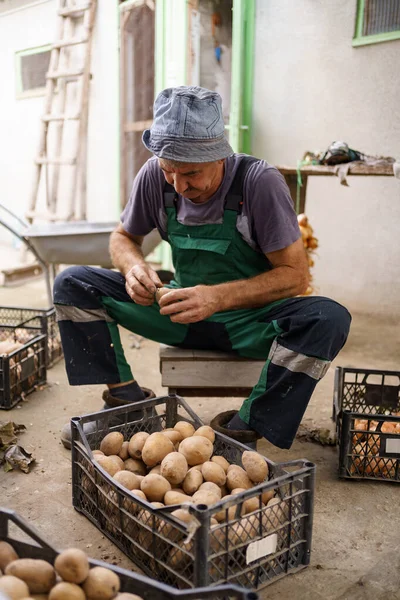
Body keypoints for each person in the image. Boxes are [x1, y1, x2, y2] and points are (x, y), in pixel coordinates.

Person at [54, 86, 351, 450]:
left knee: (329, 318)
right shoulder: (153, 176)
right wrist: (134, 267)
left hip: (250, 323)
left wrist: (217, 297)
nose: (179, 185)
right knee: (72, 283)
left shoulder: (257, 183)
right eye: (169, 171)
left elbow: (295, 276)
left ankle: (244, 426)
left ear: (219, 156)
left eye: (191, 173)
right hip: (178, 315)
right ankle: (126, 403)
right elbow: (122, 237)